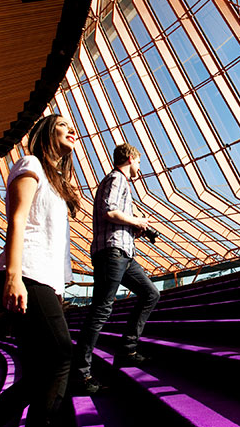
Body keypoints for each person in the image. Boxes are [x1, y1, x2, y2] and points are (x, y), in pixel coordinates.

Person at [0, 114, 80, 427]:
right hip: (26, 275)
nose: (72, 130)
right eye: (62, 125)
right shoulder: (30, 164)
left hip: (43, 280)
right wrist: (14, 276)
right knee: (61, 356)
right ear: (46, 132)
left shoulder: (56, 182)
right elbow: (17, 221)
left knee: (40, 372)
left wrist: (58, 290)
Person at [71, 143, 160, 395]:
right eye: (139, 162)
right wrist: (138, 220)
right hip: (113, 253)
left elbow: (112, 218)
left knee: (151, 293)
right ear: (130, 158)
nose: (140, 167)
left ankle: (128, 349)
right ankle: (81, 373)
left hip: (121, 251)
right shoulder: (118, 178)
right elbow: (109, 210)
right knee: (101, 309)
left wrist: (134, 229)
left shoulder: (116, 181)